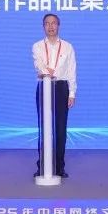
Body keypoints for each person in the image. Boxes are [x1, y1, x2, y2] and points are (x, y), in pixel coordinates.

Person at [31, 13, 77, 178]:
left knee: (60, 129)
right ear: (43, 26)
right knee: (44, 128)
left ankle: (59, 166)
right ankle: (43, 166)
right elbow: (39, 66)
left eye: (54, 23)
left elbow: (71, 71)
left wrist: (72, 93)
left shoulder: (67, 47)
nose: (50, 26)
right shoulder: (37, 46)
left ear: (59, 25)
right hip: (44, 87)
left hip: (61, 87)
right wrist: (47, 72)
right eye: (47, 23)